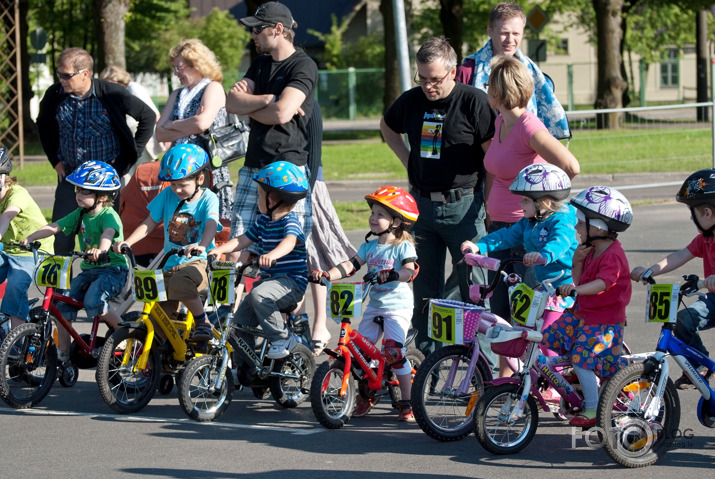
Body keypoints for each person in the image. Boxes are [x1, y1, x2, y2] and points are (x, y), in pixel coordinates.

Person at [380, 37, 496, 357]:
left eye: (435, 79)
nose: (429, 86)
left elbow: (492, 159)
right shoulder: (411, 101)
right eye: (423, 78)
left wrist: (489, 203)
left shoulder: (474, 101)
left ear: (453, 72)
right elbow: (387, 128)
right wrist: (409, 162)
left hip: (465, 207)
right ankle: (431, 360)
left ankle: (478, 363)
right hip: (423, 208)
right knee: (426, 291)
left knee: (474, 288)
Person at [478, 56, 579, 373]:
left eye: (489, 86)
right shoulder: (500, 122)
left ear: (497, 91)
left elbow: (570, 166)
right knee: (503, 310)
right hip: (500, 226)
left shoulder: (528, 126)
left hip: (526, 234)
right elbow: (495, 170)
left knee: (526, 312)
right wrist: (488, 208)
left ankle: (528, 380)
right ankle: (508, 380)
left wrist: (545, 202)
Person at [311, 186, 420, 422]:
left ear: (397, 221)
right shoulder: (369, 247)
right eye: (373, 212)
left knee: (393, 353)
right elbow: (350, 266)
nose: (373, 217)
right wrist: (327, 275)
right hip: (375, 305)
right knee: (359, 353)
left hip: (397, 306)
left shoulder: (403, 246)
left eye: (381, 214)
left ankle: (407, 402)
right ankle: (367, 393)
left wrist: (394, 274)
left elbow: (409, 271)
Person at [461, 164, 577, 380]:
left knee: (546, 335)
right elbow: (506, 236)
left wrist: (544, 255)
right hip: (545, 287)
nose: (520, 203)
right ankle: (533, 373)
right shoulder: (529, 222)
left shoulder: (563, 219)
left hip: (566, 287)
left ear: (545, 202)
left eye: (525, 200)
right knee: (526, 327)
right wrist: (479, 246)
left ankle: (555, 380)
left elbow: (560, 241)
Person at [36, 47, 156, 255]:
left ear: (85, 74)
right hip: (72, 175)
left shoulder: (111, 93)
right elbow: (42, 124)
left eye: (67, 75)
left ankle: (107, 283)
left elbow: (148, 117)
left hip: (105, 181)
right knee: (62, 238)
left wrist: (127, 160)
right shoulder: (56, 95)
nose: (61, 80)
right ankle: (61, 288)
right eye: (59, 74)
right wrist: (55, 160)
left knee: (106, 237)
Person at [227, 1, 317, 253]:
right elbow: (232, 103)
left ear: (278, 29)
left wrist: (254, 107)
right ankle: (236, 294)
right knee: (238, 242)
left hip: (287, 167)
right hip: (253, 164)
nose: (252, 35)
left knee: (287, 248)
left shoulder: (303, 65)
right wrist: (269, 98)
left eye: (257, 29)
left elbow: (282, 114)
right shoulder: (259, 64)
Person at [540, 186, 633, 427]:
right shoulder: (590, 250)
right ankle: (582, 377)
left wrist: (576, 290)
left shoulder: (612, 255)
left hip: (604, 320)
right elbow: (580, 280)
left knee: (582, 359)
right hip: (584, 314)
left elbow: (603, 283)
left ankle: (592, 409)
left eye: (580, 223)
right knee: (551, 337)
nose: (575, 228)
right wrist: (577, 261)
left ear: (599, 227)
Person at [21, 161, 128, 365]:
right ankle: (63, 357)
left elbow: (108, 234)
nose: (78, 194)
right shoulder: (80, 214)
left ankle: (124, 334)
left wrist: (101, 250)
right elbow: (55, 226)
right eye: (77, 189)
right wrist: (30, 238)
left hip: (112, 270)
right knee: (61, 305)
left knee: (93, 299)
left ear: (102, 195)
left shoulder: (109, 215)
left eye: (85, 191)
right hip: (89, 271)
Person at [113, 144, 220, 341]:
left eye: (183, 184)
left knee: (181, 282)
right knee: (157, 318)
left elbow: (212, 225)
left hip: (197, 263)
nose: (177, 189)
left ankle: (203, 321)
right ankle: (161, 361)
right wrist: (126, 242)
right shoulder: (168, 195)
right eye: (173, 184)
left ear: (200, 179)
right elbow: (148, 223)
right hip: (169, 264)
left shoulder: (209, 199)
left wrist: (202, 246)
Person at [208, 161, 309, 359]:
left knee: (258, 295)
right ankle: (247, 366)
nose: (257, 200)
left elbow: (289, 241)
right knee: (239, 323)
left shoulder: (290, 221)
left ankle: (283, 338)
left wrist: (272, 255)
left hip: (291, 283)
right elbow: (242, 240)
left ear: (272, 200)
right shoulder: (263, 221)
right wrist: (218, 250)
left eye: (259, 196)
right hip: (269, 283)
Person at [631, 169, 715, 389]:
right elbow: (679, 256)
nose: (690, 217)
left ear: (707, 213)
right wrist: (651, 270)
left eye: (692, 211)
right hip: (714, 299)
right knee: (683, 320)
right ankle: (699, 367)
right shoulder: (704, 239)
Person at [456, 2, 570, 140]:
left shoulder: (532, 72)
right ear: (490, 31)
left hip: (522, 150)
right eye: (504, 33)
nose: (510, 40)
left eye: (516, 33)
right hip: (479, 154)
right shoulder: (468, 71)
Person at [154, 39, 233, 226]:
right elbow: (159, 133)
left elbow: (203, 123)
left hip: (206, 171)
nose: (176, 74)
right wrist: (190, 122)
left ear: (197, 65)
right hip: (179, 173)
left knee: (210, 225)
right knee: (180, 225)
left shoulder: (212, 88)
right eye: (174, 68)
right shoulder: (177, 94)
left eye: (179, 68)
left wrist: (172, 125)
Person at [303, 102, 357, 355]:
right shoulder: (265, 96)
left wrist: (308, 186)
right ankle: (297, 319)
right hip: (271, 180)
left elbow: (314, 147)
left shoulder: (308, 102)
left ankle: (319, 323)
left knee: (316, 250)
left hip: (306, 180)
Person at [0, 148, 54, 339]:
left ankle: (16, 340)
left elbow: (7, 216)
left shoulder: (17, 193)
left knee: (15, 285)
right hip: (7, 250)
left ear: (4, 178)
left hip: (33, 251)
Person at [100, 65, 165, 179]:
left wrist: (163, 137)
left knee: (145, 175)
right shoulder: (114, 95)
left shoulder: (133, 88)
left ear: (119, 80)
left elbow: (153, 114)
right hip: (127, 141)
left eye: (110, 83)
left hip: (142, 140)